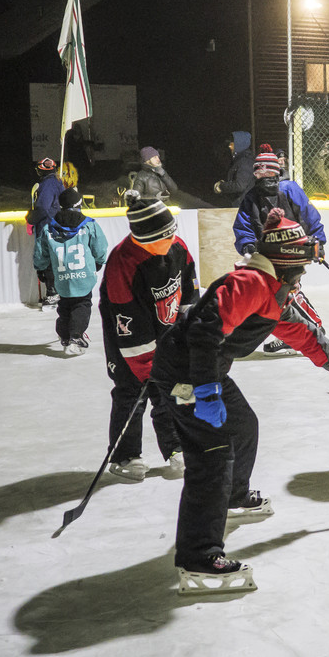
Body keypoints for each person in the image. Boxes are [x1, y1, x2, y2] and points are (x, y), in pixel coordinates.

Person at [151, 208, 329, 591]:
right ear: (288, 261)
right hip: (188, 372)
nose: (305, 274)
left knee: (244, 427)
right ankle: (199, 556)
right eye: (303, 265)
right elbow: (205, 328)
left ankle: (234, 497)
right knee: (211, 459)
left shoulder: (273, 290)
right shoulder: (250, 283)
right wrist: (207, 390)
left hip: (206, 370)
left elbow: (301, 332)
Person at [100, 195, 200, 482]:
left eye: (173, 232)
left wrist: (188, 331)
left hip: (166, 333)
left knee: (170, 391)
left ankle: (175, 447)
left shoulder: (176, 246)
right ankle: (124, 454)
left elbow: (190, 291)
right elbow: (130, 326)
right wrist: (152, 371)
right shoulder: (124, 263)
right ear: (146, 238)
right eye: (164, 236)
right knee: (133, 392)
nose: (172, 239)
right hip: (128, 340)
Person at [233, 144, 327, 355]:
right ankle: (293, 333)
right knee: (273, 297)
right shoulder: (251, 198)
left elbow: (310, 217)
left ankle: (314, 328)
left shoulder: (290, 189)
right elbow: (243, 227)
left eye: (269, 172)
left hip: (294, 251)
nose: (264, 176)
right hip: (268, 255)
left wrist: (318, 242)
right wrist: (248, 245)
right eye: (259, 172)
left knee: (287, 292)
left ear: (277, 172)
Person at [32, 187, 108, 354]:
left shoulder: (48, 228)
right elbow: (100, 247)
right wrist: (99, 262)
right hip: (83, 276)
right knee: (82, 304)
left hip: (62, 277)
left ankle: (64, 335)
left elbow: (41, 252)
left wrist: (41, 268)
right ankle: (75, 335)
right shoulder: (89, 225)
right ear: (79, 204)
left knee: (65, 306)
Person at [26, 158, 66, 306]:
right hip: (56, 225)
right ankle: (57, 291)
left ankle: (53, 292)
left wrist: (31, 219)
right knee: (54, 259)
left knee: (47, 260)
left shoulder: (47, 185)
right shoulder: (57, 182)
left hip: (48, 226)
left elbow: (43, 207)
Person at [213, 131, 254, 207]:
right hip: (240, 204)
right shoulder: (239, 160)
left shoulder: (245, 161)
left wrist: (222, 186)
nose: (229, 147)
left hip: (243, 206)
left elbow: (240, 185)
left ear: (240, 145)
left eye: (232, 144)